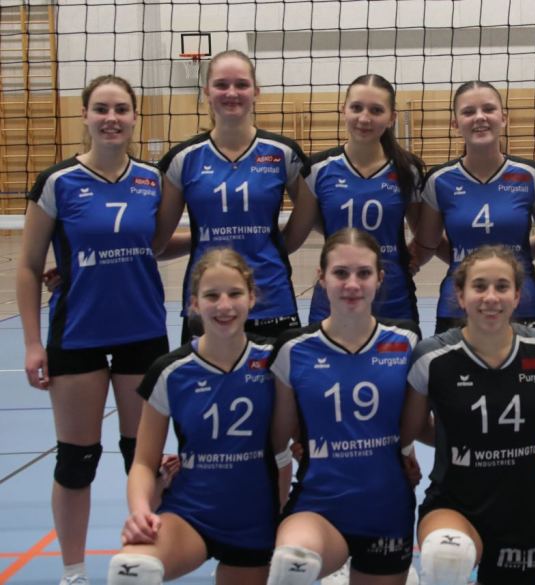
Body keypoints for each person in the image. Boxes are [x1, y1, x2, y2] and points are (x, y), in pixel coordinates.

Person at [16, 74, 169, 585]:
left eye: (121, 109)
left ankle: (145, 562)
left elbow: (155, 244)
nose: (111, 118)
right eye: (101, 109)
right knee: (76, 460)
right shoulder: (58, 182)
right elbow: (28, 266)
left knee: (142, 458)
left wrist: (213, 241)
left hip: (142, 331)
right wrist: (32, 344)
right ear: (84, 115)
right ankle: (74, 572)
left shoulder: (152, 179)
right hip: (77, 333)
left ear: (134, 117)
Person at [107, 249, 281, 584]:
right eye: (211, 296)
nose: (224, 305)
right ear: (194, 304)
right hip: (190, 513)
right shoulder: (170, 372)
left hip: (255, 520)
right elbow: (143, 461)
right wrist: (140, 510)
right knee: (132, 570)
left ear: (252, 298)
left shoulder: (275, 362)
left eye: (234, 294)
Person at [401, 245, 535, 585]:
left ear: (517, 295)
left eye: (502, 286)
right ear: (460, 296)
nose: (491, 297)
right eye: (479, 286)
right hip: (455, 502)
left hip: (522, 507)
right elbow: (412, 430)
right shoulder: (432, 357)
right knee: (447, 559)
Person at [267, 228, 420, 585]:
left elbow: (415, 423)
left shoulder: (406, 341)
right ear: (321, 277)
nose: (352, 284)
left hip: (387, 508)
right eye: (340, 273)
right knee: (292, 564)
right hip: (319, 505)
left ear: (379, 278)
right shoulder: (294, 349)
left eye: (363, 273)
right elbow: (277, 439)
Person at [156, 49, 316, 343]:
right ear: (207, 91)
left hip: (271, 298)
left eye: (241, 84)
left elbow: (306, 218)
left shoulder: (283, 153)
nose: (232, 93)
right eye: (221, 84)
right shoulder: (183, 159)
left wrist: (271, 246)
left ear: (256, 91)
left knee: (277, 374)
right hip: (206, 303)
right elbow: (157, 242)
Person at [415, 80, 535, 332]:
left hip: (522, 301)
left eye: (488, 109)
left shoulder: (529, 175)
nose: (480, 117)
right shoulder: (439, 180)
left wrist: (508, 256)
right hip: (457, 303)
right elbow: (427, 245)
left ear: (503, 118)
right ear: (455, 124)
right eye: (468, 112)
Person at [300, 74, 424, 324]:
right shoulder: (318, 168)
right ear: (343, 110)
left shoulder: (407, 169)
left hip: (392, 297)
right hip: (333, 296)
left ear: (392, 117)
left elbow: (423, 231)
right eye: (356, 108)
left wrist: (413, 259)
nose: (364, 118)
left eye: (376, 110)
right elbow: (306, 224)